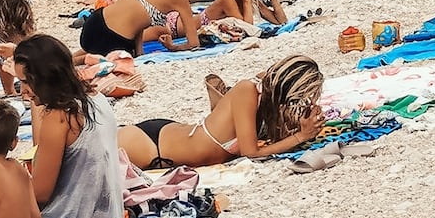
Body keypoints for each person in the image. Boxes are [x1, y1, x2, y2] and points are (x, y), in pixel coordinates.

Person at [8, 35, 124, 218]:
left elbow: (40, 194)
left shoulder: (60, 117)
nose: (22, 90)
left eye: (25, 81)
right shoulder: (94, 98)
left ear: (44, 77)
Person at [118, 55, 324, 169]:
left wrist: (302, 125)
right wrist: (301, 135)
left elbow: (277, 141)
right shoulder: (248, 90)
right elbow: (251, 153)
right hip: (151, 145)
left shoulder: (267, 102)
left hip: (172, 137)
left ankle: (220, 104)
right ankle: (221, 103)